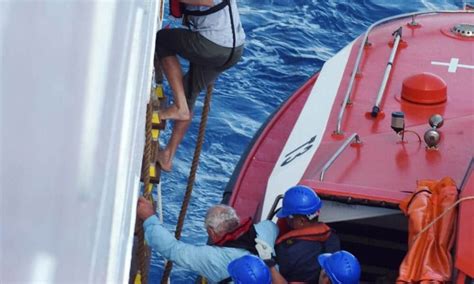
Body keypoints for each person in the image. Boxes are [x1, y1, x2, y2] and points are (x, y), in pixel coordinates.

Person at [155, 0, 245, 171]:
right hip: (232, 49)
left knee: (162, 40)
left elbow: (208, 1)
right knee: (188, 92)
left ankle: (179, 108)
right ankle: (167, 156)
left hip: (213, 45)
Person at [136, 197, 277, 282]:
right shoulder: (266, 229)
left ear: (211, 231)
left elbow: (173, 250)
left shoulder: (214, 258)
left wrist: (149, 218)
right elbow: (274, 227)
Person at [275, 185, 341, 283]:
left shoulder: (285, 250)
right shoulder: (333, 238)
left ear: (301, 221)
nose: (286, 220)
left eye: (289, 217)